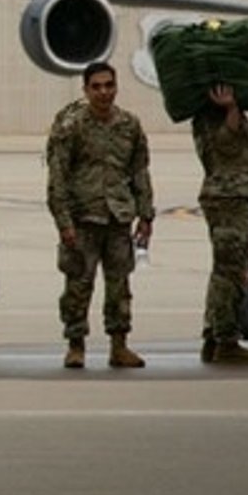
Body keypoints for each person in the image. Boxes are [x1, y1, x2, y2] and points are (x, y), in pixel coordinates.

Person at [45, 61, 155, 369]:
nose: (103, 92)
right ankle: (75, 344)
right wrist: (64, 223)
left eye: (109, 85)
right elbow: (58, 178)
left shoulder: (129, 125)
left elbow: (139, 171)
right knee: (78, 285)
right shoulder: (72, 127)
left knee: (119, 286)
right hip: (84, 217)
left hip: (118, 217)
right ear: (86, 89)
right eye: (96, 86)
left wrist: (146, 214)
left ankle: (119, 345)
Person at [192, 83, 248, 365]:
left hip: (237, 200)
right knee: (230, 272)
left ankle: (214, 337)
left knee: (226, 270)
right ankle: (227, 341)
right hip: (230, 200)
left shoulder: (215, 117)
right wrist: (231, 108)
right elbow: (226, 143)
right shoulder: (212, 118)